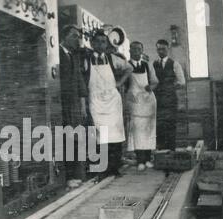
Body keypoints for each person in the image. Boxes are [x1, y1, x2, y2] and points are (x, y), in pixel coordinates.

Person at [83, 30, 132, 178]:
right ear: (91, 43)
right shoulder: (86, 59)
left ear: (107, 44)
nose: (100, 44)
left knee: (115, 135)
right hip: (96, 101)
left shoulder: (112, 58)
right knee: (99, 134)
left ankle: (114, 168)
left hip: (112, 101)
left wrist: (119, 82)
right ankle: (100, 169)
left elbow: (129, 68)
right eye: (97, 41)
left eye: (103, 42)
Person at [59, 25, 89, 188]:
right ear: (64, 37)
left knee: (74, 139)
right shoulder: (57, 54)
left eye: (79, 36)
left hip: (74, 105)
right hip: (62, 104)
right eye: (74, 36)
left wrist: (83, 104)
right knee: (65, 139)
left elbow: (79, 81)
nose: (78, 39)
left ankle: (75, 174)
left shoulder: (74, 56)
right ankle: (68, 177)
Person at [126, 41, 159, 172]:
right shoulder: (126, 66)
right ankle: (140, 160)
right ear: (130, 51)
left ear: (142, 51)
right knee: (138, 130)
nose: (136, 51)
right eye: (133, 49)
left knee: (149, 129)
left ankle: (147, 159)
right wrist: (128, 97)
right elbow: (123, 84)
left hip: (148, 99)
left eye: (139, 49)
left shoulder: (147, 65)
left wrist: (151, 87)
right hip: (135, 100)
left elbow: (155, 81)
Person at [153, 39, 186, 151]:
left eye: (163, 49)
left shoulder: (174, 64)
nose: (161, 51)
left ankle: (171, 152)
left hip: (170, 101)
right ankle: (161, 154)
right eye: (159, 49)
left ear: (168, 49)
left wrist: (169, 88)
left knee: (170, 126)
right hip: (158, 101)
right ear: (156, 50)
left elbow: (182, 82)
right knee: (159, 127)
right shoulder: (154, 64)